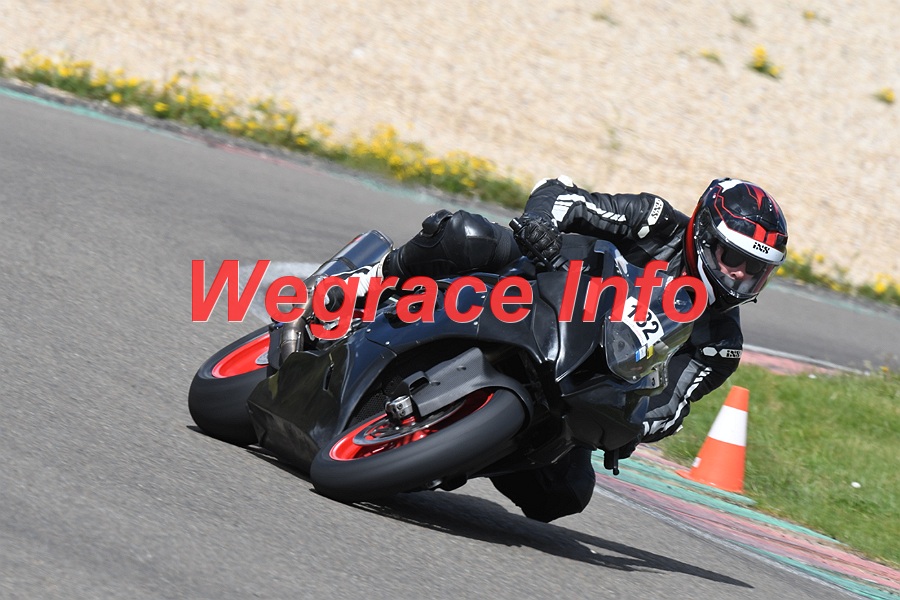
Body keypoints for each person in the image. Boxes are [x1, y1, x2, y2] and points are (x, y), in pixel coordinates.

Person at [311, 176, 789, 522]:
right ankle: (368, 280)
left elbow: (671, 406)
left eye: (756, 270)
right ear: (704, 235)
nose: (740, 275)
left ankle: (450, 450)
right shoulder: (654, 221)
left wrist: (635, 425)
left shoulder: (721, 344)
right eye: (734, 258)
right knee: (465, 233)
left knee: (564, 495)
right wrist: (541, 225)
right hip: (536, 285)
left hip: (584, 383)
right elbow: (562, 194)